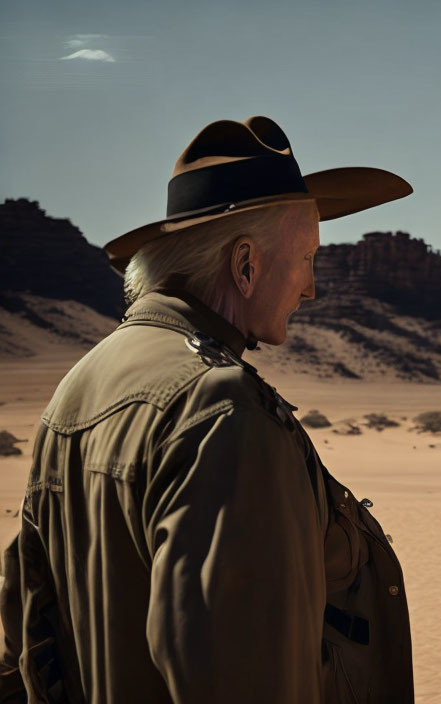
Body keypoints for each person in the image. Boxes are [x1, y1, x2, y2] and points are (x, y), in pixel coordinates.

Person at [0, 116, 414, 703]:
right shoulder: (222, 410)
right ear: (245, 265)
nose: (312, 287)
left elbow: (24, 645)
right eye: (306, 259)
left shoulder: (73, 390)